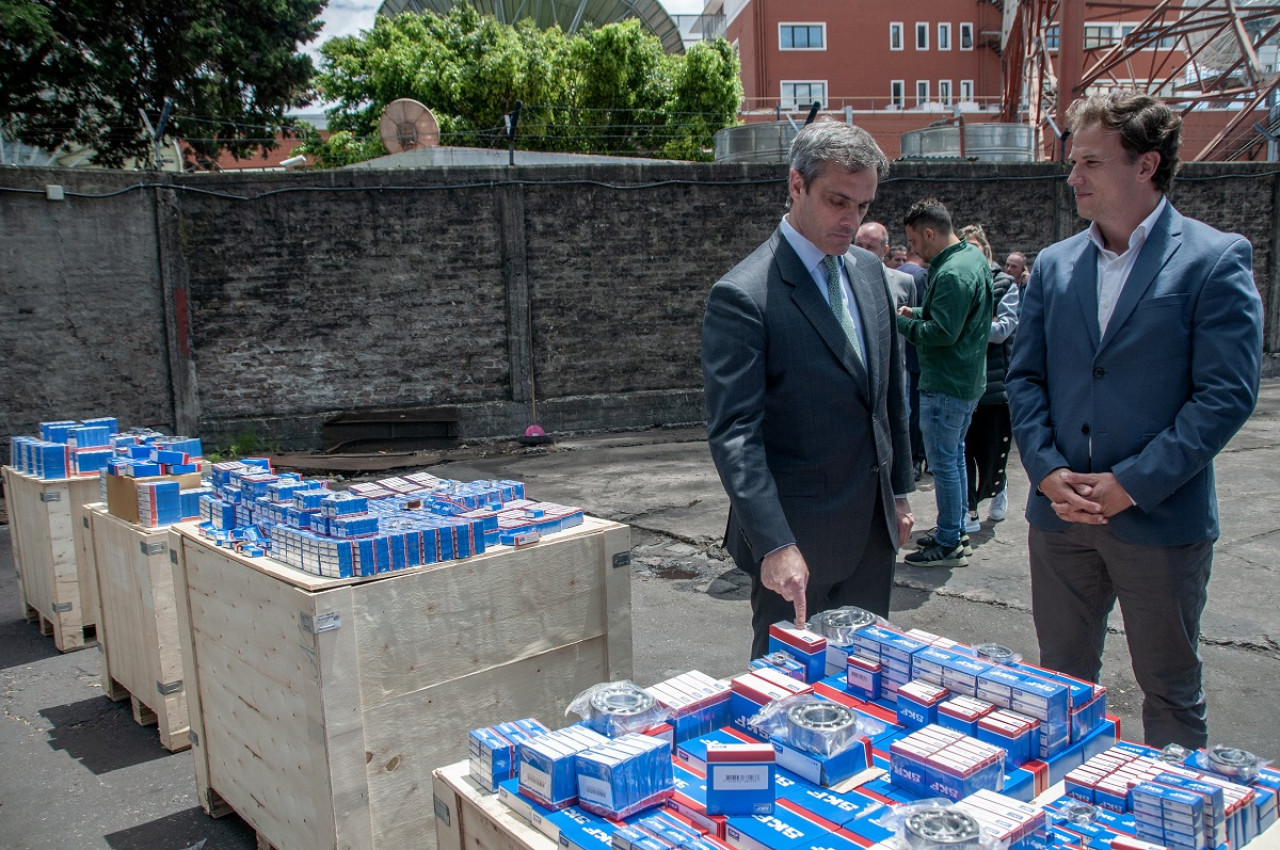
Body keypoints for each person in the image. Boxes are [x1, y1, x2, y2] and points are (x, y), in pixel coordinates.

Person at [1006, 92, 1263, 749]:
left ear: (1145, 165)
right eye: (1073, 160)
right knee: (1060, 690)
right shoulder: (1057, 266)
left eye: (1091, 161)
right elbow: (1026, 379)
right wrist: (1046, 470)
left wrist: (1132, 482)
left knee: (1171, 695)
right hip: (1060, 520)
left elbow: (1225, 395)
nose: (1073, 176)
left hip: (1158, 519)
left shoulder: (1213, 260)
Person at [702, 120, 915, 658]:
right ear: (796, 185)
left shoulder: (868, 273)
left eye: (863, 206)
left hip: (872, 532)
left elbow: (888, 394)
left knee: (869, 686)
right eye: (838, 200)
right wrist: (774, 542)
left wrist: (900, 493)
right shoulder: (745, 294)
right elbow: (735, 435)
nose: (851, 219)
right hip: (797, 546)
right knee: (787, 700)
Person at [896, 199, 992, 567]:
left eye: (914, 240)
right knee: (954, 458)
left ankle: (950, 540)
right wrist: (916, 311)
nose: (913, 249)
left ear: (929, 232)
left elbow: (942, 331)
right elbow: (954, 316)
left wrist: (900, 321)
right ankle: (955, 528)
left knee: (945, 464)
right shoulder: (971, 259)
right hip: (965, 379)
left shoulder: (951, 273)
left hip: (947, 383)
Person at [957, 224, 1019, 530]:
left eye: (975, 249)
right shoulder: (958, 280)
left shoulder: (1005, 283)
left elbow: (1004, 328)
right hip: (963, 380)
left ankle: (998, 486)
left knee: (992, 450)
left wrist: (966, 327)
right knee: (964, 447)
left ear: (986, 250)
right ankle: (968, 510)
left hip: (994, 383)